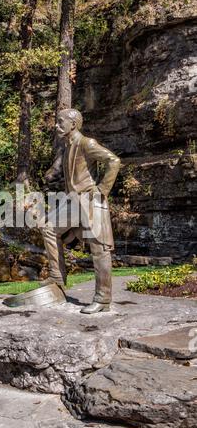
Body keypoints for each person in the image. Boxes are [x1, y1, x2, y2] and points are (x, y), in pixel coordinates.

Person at [40, 108, 120, 314]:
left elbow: (114, 161)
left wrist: (102, 190)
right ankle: (57, 277)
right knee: (48, 227)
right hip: (73, 203)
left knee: (99, 249)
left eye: (60, 122)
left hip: (90, 201)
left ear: (73, 124)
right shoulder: (68, 147)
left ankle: (102, 299)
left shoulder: (87, 143)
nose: (56, 126)